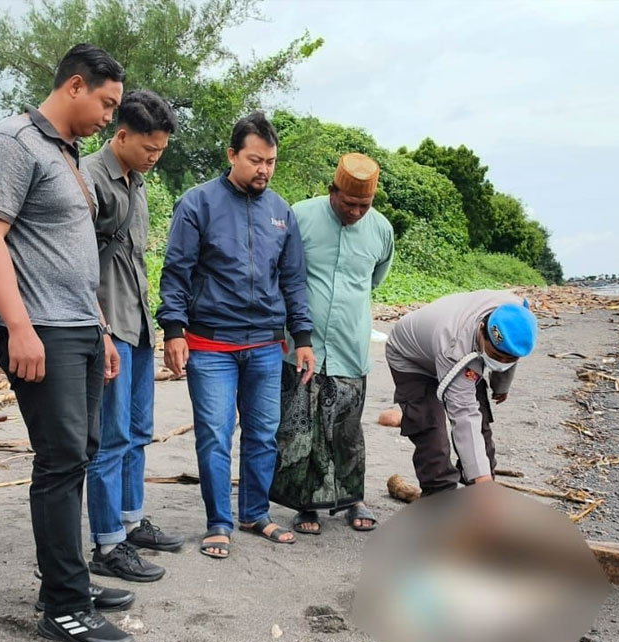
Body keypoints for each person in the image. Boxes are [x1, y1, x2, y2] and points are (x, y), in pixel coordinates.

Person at [0, 43, 136, 642]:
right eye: (106, 104)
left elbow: (73, 253)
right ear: (75, 86)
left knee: (79, 453)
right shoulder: (11, 143)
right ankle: (65, 607)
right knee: (61, 458)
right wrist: (18, 327)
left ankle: (66, 580)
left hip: (78, 326)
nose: (109, 117)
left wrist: (101, 328)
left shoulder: (65, 153)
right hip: (39, 328)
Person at [157, 112, 315, 559]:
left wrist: (302, 337)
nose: (264, 170)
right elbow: (177, 271)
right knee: (215, 434)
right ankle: (218, 522)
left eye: (271, 162)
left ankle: (254, 513)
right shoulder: (198, 204)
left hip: (265, 344)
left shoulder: (281, 212)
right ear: (232, 155)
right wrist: (174, 330)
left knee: (263, 434)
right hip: (210, 345)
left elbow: (293, 280)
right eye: (255, 160)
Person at [82, 90, 185, 576]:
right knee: (110, 438)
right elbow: (78, 266)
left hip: (138, 323)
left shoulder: (138, 181)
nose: (154, 157)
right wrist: (100, 330)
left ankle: (129, 520)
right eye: (149, 148)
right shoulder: (87, 177)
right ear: (121, 135)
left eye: (161, 150)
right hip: (108, 325)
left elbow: (137, 260)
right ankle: (107, 545)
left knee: (138, 432)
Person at [270, 153, 395, 535]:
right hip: (301, 344)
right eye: (349, 203)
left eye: (364, 205)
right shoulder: (300, 216)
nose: (355, 212)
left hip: (349, 345)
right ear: (332, 191)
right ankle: (305, 504)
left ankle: (352, 498)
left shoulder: (381, 230)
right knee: (299, 427)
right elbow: (281, 272)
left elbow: (374, 280)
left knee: (346, 428)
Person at [385, 290, 538, 495]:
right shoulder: (455, 347)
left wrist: (501, 385)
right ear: (482, 330)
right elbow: (464, 415)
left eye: (508, 360)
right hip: (412, 358)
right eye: (495, 356)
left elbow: (509, 350)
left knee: (481, 425)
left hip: (463, 351)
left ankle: (476, 492)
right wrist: (483, 484)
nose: (501, 362)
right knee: (431, 430)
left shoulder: (517, 315)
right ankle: (441, 498)